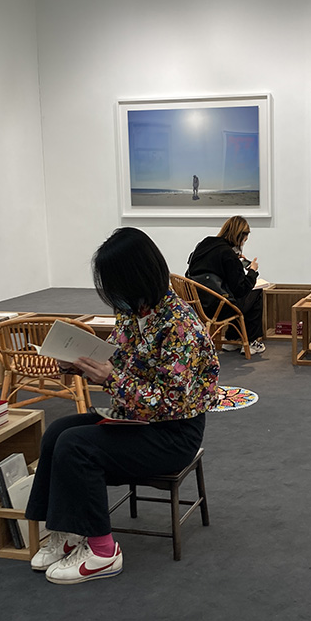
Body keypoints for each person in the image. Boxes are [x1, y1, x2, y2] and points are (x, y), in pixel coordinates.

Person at [25, 227, 219, 584]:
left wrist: (111, 380)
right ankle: (67, 532)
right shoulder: (134, 311)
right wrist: (76, 363)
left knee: (76, 445)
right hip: (134, 419)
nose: (111, 294)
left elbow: (170, 402)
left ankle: (103, 551)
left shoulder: (180, 327)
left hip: (173, 434)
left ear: (135, 277)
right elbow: (115, 355)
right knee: (57, 433)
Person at [186, 215, 266, 355]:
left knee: (231, 294)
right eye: (244, 240)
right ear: (240, 236)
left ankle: (232, 338)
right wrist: (252, 272)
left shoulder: (205, 243)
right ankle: (251, 342)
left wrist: (235, 261)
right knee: (255, 293)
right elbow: (241, 289)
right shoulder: (228, 254)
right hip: (217, 308)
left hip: (196, 303)